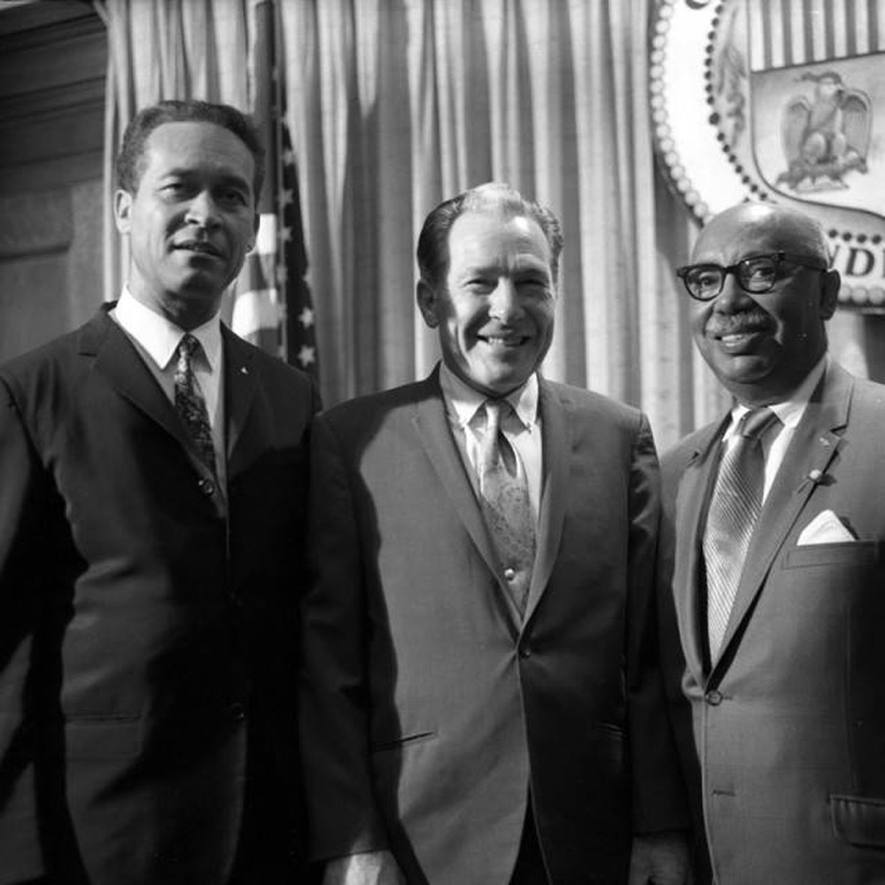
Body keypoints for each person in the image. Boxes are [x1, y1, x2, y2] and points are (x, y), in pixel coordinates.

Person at [300, 183, 689, 884]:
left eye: (530, 282)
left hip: (591, 836)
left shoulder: (618, 435)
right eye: (479, 283)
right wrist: (353, 840)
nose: (507, 308)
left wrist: (659, 824)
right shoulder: (352, 442)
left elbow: (646, 654)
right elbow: (331, 667)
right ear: (430, 301)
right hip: (422, 840)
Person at [0, 99, 318, 884]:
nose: (206, 214)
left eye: (232, 195)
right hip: (99, 836)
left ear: (252, 227)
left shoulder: (291, 397)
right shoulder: (31, 392)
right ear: (123, 208)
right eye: (179, 188)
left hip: (265, 827)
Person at [659, 201, 885, 883]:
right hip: (701, 861)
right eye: (705, 279)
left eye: (760, 271)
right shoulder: (668, 475)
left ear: (826, 293)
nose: (728, 302)